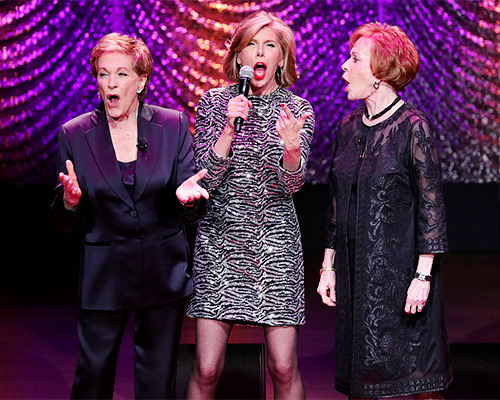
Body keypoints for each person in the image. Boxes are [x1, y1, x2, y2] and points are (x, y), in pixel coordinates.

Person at [51, 33, 208, 399]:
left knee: (157, 383)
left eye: (121, 74)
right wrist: (71, 201)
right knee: (92, 378)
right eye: (103, 74)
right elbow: (60, 222)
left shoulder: (172, 125)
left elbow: (195, 204)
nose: (111, 84)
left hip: (161, 271)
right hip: (104, 274)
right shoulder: (74, 134)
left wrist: (188, 199)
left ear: (141, 80)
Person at [317, 22, 452, 399]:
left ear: (379, 72)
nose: (344, 66)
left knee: (417, 380)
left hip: (402, 278)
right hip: (355, 274)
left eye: (354, 59)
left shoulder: (413, 127)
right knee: (363, 382)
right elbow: (336, 202)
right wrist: (328, 265)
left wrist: (422, 277)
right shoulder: (348, 127)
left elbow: (431, 208)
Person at [185, 11, 315, 400]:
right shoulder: (214, 102)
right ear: (239, 56)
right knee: (206, 369)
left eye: (269, 45)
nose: (259, 53)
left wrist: (291, 149)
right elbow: (206, 174)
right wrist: (228, 128)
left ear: (281, 57)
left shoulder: (298, 109)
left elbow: (292, 182)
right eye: (251, 45)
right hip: (221, 242)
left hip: (274, 244)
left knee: (283, 366)